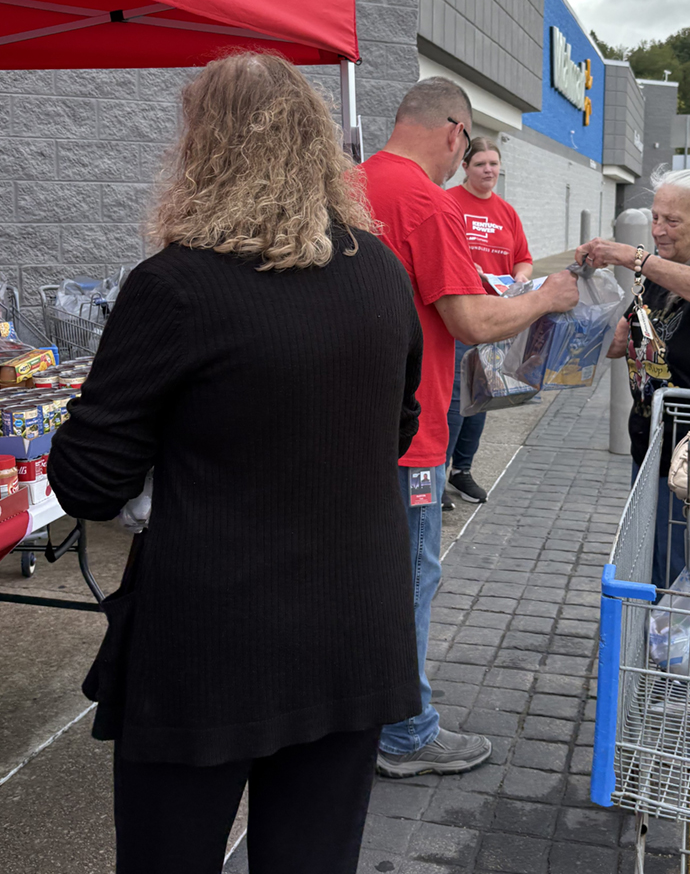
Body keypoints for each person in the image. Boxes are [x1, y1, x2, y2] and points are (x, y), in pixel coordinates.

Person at [46, 53, 423, 874]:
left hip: (213, 645)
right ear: (316, 145)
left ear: (204, 151)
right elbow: (396, 427)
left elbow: (87, 479)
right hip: (355, 627)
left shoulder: (176, 286)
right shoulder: (381, 273)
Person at [359, 78, 579, 778]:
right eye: (469, 147)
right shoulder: (425, 201)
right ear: (455, 132)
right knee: (411, 576)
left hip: (355, 419)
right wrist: (545, 297)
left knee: (369, 577)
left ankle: (372, 706)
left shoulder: (353, 181)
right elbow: (469, 321)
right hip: (412, 426)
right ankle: (404, 733)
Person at [576, 168, 690, 589]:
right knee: (653, 556)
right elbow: (618, 343)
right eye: (655, 217)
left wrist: (631, 257)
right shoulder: (661, 275)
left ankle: (681, 652)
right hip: (653, 443)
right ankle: (660, 645)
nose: (658, 230)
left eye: (672, 221)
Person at [443, 137, 533, 506]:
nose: (489, 170)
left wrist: (523, 276)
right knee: (453, 401)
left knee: (481, 399)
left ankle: (461, 471)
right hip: (460, 315)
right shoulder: (448, 202)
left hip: (496, 318)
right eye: (481, 163)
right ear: (465, 166)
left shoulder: (506, 212)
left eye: (494, 164)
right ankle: (438, 473)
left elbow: (523, 258)